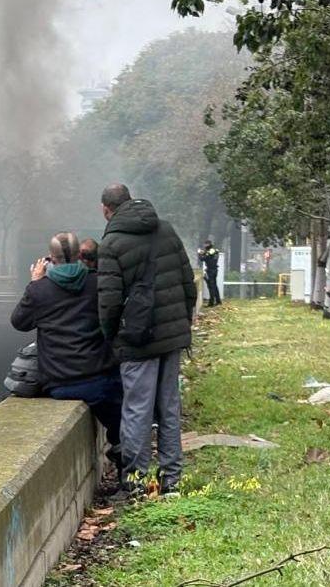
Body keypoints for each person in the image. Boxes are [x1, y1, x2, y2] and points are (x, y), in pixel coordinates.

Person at [97, 183, 196, 497]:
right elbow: (187, 282)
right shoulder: (165, 230)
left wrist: (111, 337)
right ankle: (172, 480)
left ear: (106, 209)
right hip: (171, 336)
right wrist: (181, 323)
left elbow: (109, 303)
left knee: (137, 410)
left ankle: (136, 482)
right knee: (169, 406)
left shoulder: (111, 243)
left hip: (137, 340)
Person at [11, 231, 123, 470]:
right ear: (78, 255)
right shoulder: (96, 284)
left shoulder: (39, 291)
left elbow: (20, 322)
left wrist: (34, 282)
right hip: (99, 379)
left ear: (50, 258)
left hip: (58, 383)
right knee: (122, 423)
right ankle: (128, 471)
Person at [197, 239, 222, 306]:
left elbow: (202, 259)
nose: (204, 246)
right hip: (214, 270)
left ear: (208, 244)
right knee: (214, 286)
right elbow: (208, 253)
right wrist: (203, 252)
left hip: (210, 271)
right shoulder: (214, 251)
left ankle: (211, 303)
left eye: (205, 244)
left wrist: (199, 253)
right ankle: (218, 301)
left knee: (211, 286)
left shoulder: (210, 252)